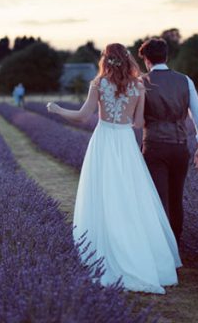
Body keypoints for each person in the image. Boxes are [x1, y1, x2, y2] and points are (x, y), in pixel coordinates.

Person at [46, 43, 180, 294]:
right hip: (125, 142)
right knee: (131, 197)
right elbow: (139, 123)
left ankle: (105, 251)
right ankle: (139, 254)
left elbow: (82, 116)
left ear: (106, 60)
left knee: (103, 194)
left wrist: (56, 109)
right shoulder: (139, 85)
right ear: (127, 59)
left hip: (104, 141)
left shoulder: (98, 84)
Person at [138, 37, 198, 244]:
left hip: (153, 146)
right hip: (180, 146)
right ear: (166, 56)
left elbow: (135, 118)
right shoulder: (185, 80)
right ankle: (176, 246)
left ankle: (162, 250)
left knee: (159, 200)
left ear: (146, 60)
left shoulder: (141, 82)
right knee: (176, 199)